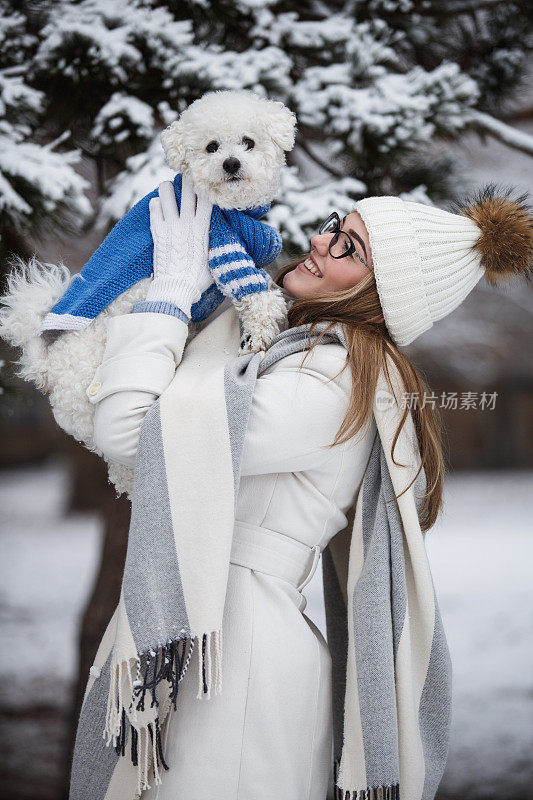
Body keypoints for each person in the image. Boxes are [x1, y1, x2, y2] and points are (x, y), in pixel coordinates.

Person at [86, 178, 532, 800]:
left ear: (380, 294)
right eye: (335, 225)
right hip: (213, 635)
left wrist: (167, 298)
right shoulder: (288, 355)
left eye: (349, 248)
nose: (320, 241)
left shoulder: (328, 378)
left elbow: (131, 428)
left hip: (237, 666)